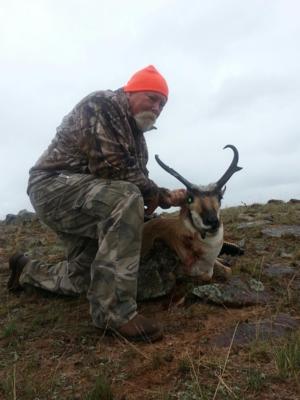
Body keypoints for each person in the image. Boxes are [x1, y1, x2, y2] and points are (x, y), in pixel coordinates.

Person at [7, 65, 186, 343]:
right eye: (152, 97)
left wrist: (158, 198)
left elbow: (140, 182)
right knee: (126, 199)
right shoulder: (101, 105)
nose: (158, 106)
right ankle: (114, 313)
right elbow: (113, 168)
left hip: (87, 200)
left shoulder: (138, 140)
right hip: (52, 187)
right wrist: (160, 195)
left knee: (84, 278)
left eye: (162, 102)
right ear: (131, 91)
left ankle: (26, 270)